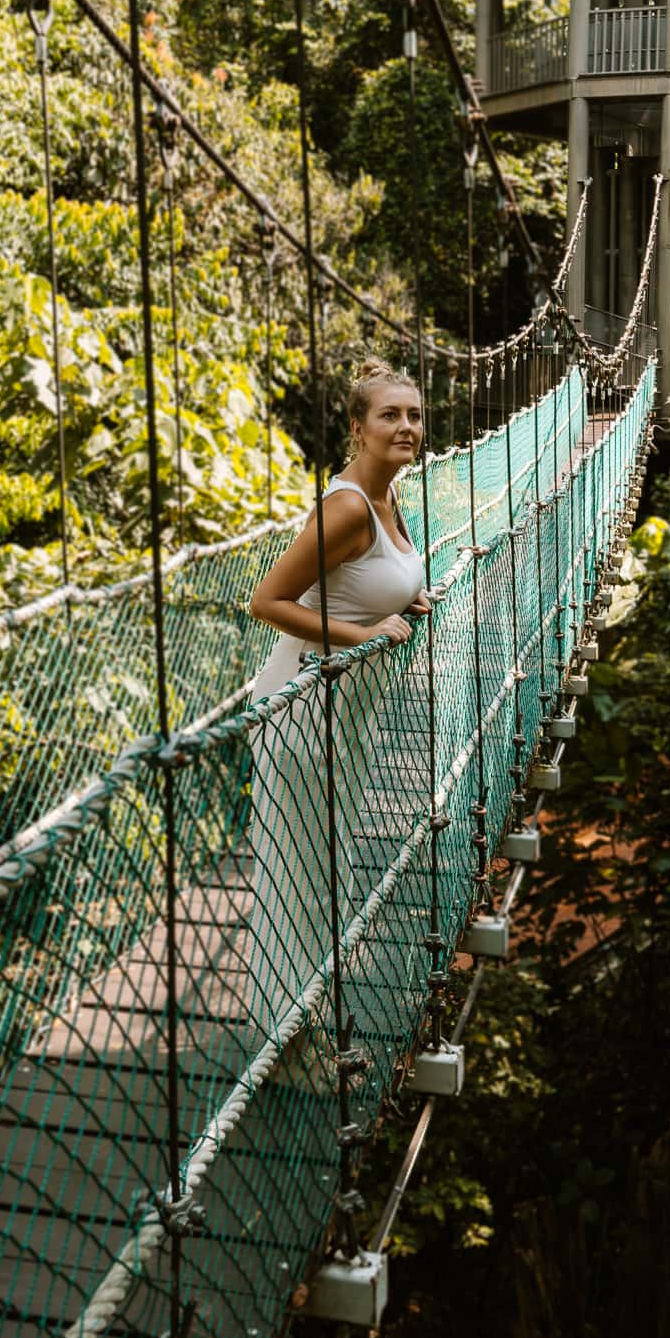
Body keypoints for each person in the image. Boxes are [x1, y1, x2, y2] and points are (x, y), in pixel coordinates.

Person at [243, 358, 431, 1057]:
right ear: (357, 429)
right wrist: (367, 632)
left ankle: (300, 1021)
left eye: (413, 415)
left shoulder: (389, 492)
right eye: (389, 415)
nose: (405, 426)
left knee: (319, 870)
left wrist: (401, 598)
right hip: (301, 714)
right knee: (299, 879)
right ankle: (284, 1042)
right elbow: (268, 603)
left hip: (342, 715)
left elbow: (367, 579)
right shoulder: (349, 504)